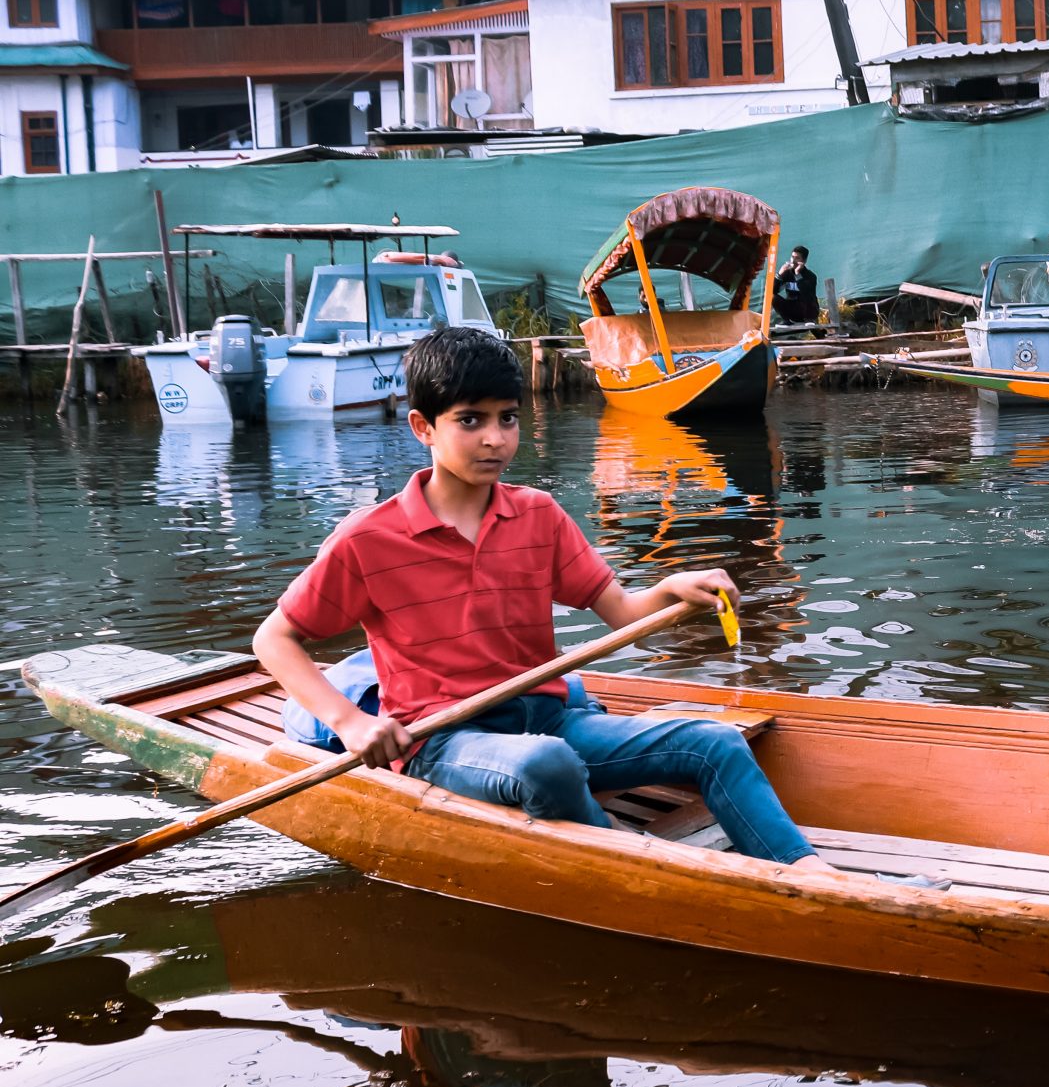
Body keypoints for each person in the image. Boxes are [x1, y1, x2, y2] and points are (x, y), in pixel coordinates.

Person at [253, 327, 823, 869]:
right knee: (545, 765)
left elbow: (619, 610)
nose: (495, 439)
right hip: (445, 738)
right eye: (470, 421)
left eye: (507, 419)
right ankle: (641, 867)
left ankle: (807, 874)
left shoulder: (538, 515)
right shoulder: (369, 539)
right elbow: (274, 638)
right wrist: (350, 722)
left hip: (548, 718)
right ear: (423, 427)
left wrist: (671, 588)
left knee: (714, 742)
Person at [772, 244, 822, 327]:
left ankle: (809, 320)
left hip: (809, 311)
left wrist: (798, 274)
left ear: (804, 261)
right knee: (772, 297)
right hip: (793, 310)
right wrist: (779, 274)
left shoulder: (810, 276)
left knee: (806, 295)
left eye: (797, 258)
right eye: (792, 257)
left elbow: (806, 292)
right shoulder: (787, 274)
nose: (793, 261)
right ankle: (786, 321)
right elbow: (773, 290)